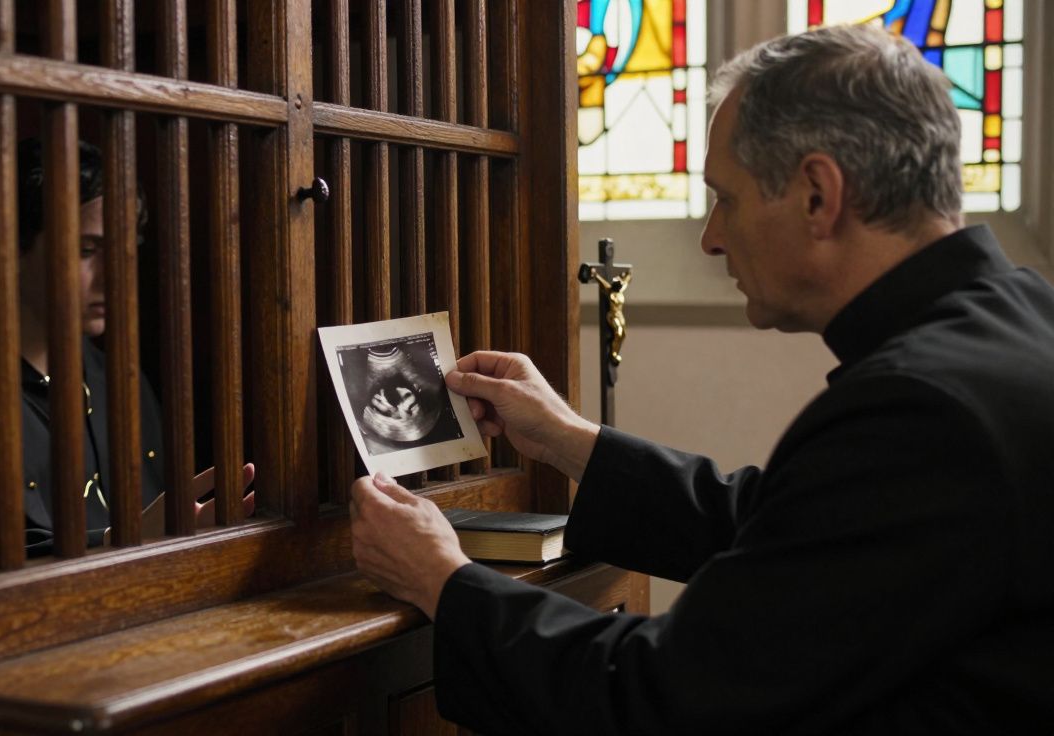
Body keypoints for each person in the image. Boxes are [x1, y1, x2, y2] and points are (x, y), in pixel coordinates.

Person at [349, 24, 1054, 733]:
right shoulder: (1023, 320)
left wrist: (444, 582)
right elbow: (794, 533)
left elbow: (670, 701)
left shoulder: (922, 409)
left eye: (727, 197)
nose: (712, 236)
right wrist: (570, 440)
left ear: (817, 194)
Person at [0, 139, 252, 571]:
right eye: (87, 251)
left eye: (124, 251)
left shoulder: (119, 378)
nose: (113, 276)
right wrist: (118, 543)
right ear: (10, 247)